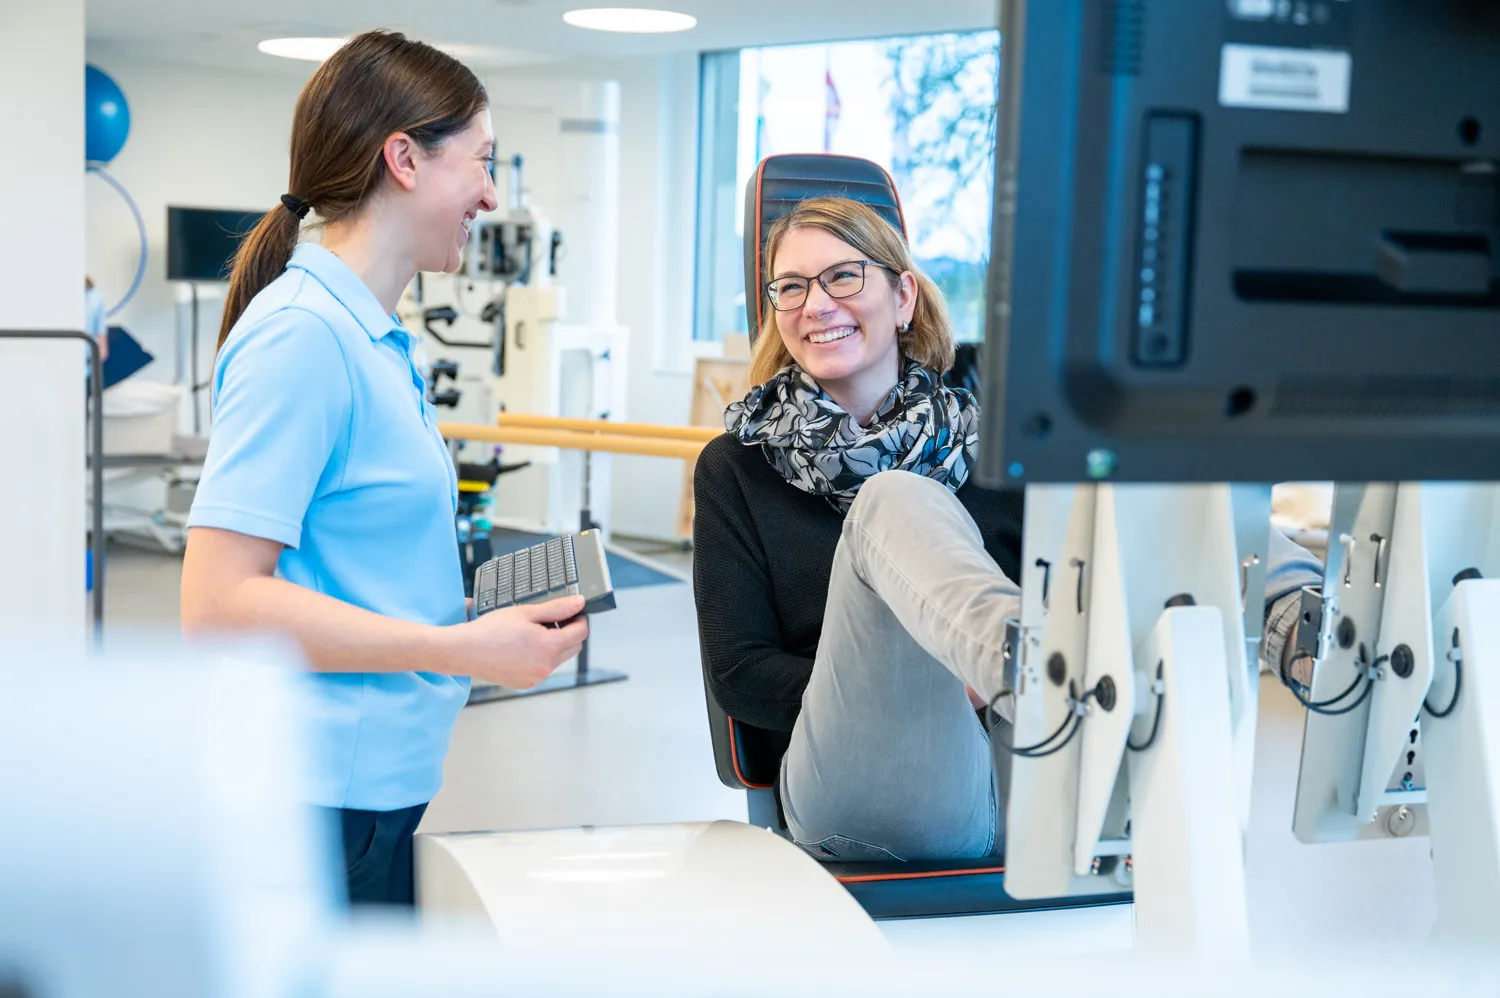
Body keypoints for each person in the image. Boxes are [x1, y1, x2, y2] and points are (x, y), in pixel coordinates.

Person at [692, 196, 1323, 863]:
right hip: (872, 781)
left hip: (1026, 762)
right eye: (791, 287)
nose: (816, 305)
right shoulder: (737, 468)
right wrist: (943, 681)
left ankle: (1319, 636)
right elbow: (740, 672)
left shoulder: (996, 444)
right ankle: (1032, 671)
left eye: (842, 276)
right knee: (894, 498)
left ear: (903, 295)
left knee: (1139, 478)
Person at [179, 30, 588, 906]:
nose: (488, 192)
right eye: (480, 162)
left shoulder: (374, 335)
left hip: (368, 789)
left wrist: (479, 613)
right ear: (403, 157)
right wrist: (459, 648)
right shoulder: (303, 336)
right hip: (310, 795)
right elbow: (217, 606)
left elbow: (354, 566)